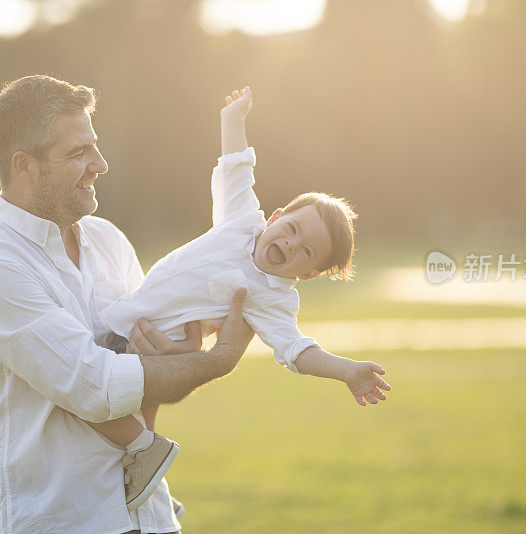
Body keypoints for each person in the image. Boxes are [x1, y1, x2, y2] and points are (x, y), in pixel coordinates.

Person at [0, 74, 253, 534]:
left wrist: (180, 350)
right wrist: (219, 359)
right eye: (77, 153)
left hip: (147, 516)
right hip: (58, 522)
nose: (101, 163)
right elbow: (99, 387)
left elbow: (152, 374)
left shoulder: (108, 240)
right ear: (24, 166)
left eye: (95, 145)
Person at [86, 85, 392, 509]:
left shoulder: (272, 298)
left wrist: (345, 371)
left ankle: (148, 464)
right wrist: (234, 118)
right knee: (128, 412)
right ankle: (153, 485)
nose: (290, 244)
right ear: (277, 216)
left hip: (147, 347)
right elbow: (235, 167)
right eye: (292, 230)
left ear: (308, 273)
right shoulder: (241, 220)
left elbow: (296, 349)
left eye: (305, 252)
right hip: (132, 321)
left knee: (87, 402)